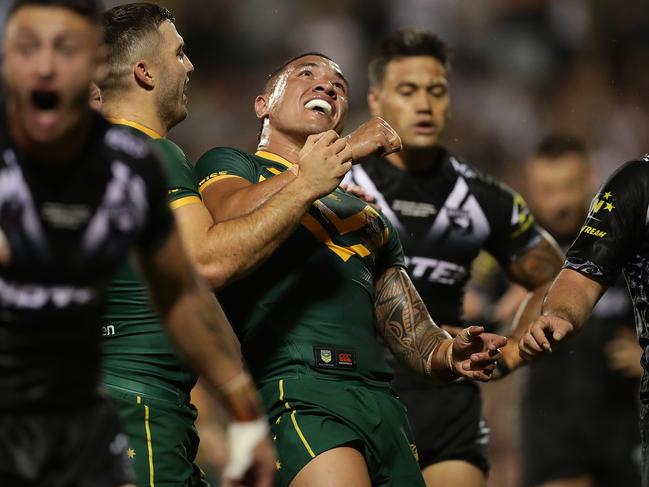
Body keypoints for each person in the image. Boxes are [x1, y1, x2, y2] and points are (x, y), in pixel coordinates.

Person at [97, 4, 401, 485]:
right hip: (136, 407)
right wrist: (308, 182)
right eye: (179, 53)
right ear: (144, 72)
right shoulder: (152, 154)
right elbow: (209, 263)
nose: (191, 65)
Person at [193, 51, 507, 487]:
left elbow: (409, 327)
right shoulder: (231, 165)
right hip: (300, 388)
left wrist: (449, 353)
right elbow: (229, 225)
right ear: (263, 103)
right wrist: (335, 160)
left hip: (382, 401)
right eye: (307, 74)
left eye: (339, 86)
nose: (327, 85)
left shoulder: (366, 215)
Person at [0, 1, 272, 486]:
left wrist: (242, 405)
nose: (45, 65)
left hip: (104, 415)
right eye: (28, 48)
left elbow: (182, 292)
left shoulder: (133, 166)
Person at [343, 28, 563, 487]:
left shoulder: (485, 198)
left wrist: (512, 352)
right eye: (408, 91)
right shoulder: (339, 182)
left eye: (436, 91)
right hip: (353, 394)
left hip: (449, 403)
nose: (424, 104)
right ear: (377, 100)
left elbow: (554, 277)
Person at [520, 146, 649, 486]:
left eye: (568, 186)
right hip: (554, 425)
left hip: (621, 423)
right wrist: (537, 314)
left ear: (590, 180)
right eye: (548, 189)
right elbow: (485, 321)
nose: (559, 202)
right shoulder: (518, 252)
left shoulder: (628, 241)